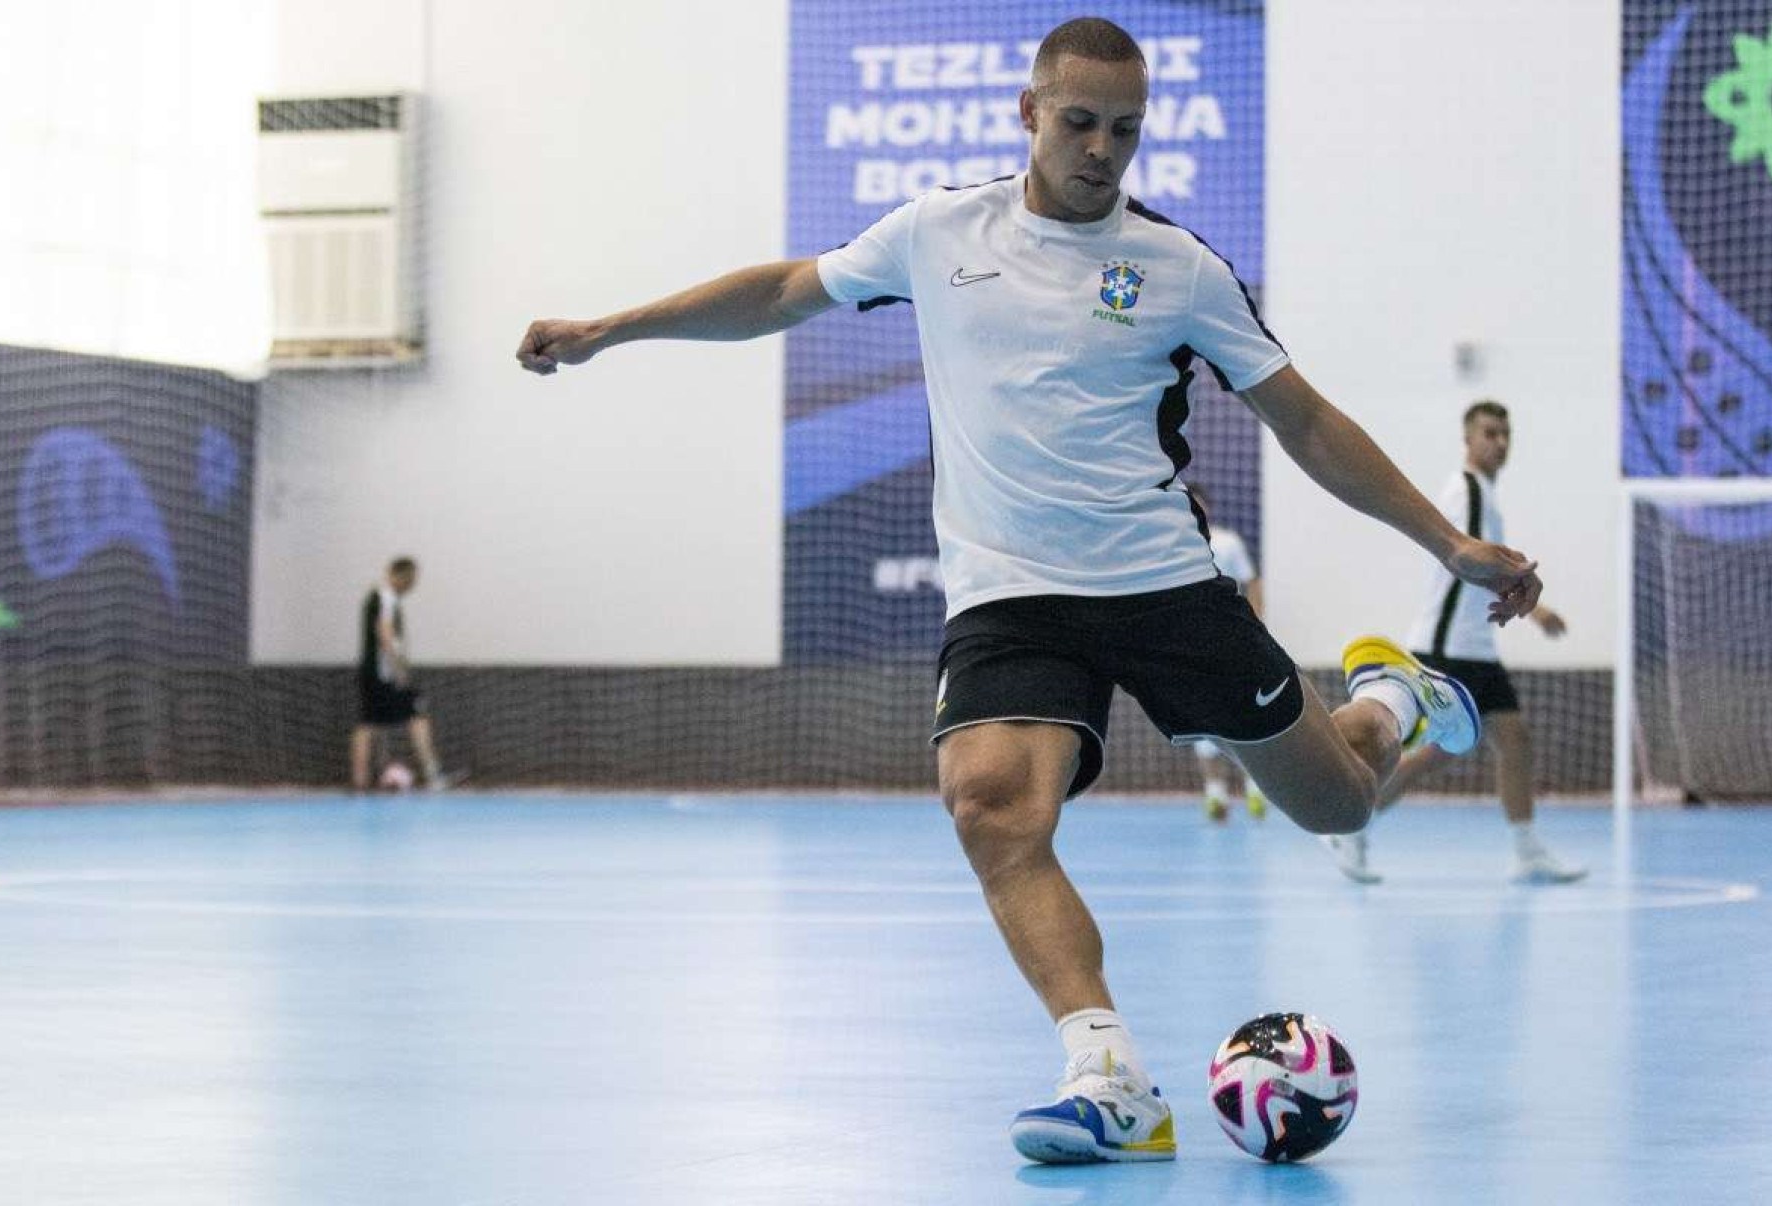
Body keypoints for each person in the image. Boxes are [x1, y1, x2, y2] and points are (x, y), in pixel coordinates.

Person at [517, 17, 1542, 1166]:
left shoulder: (1181, 269)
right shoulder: (937, 232)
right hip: (1009, 594)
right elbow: (781, 293)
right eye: (1080, 123)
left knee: (1340, 805)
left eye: (1126, 130)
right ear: (1028, 112)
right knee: (990, 803)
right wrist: (614, 328)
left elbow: (1304, 420)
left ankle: (1391, 698)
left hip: (1161, 583)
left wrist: (1450, 544)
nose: (1103, 150)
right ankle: (1108, 1075)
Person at [1322, 402, 1585, 885]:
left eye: (1506, 433)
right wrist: (1530, 605)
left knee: (1513, 740)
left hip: (1478, 648)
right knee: (1429, 754)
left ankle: (1527, 851)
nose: (1499, 442)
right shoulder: (1467, 491)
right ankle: (1351, 825)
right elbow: (1466, 560)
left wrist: (1531, 606)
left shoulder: (1485, 494)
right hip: (1448, 648)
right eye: (1489, 432)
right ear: (1468, 438)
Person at [1183, 480, 1268, 822]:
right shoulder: (1173, 544)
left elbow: (1253, 581)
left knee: (1247, 717)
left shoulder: (1228, 542)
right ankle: (1215, 794)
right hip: (1191, 649)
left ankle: (1255, 790)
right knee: (1204, 724)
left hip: (1232, 643)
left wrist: (1256, 626)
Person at [348, 556, 458, 792]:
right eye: (411, 580)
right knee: (414, 716)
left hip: (372, 672)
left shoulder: (375, 597)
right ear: (400, 577)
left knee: (368, 723)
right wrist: (399, 670)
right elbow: (385, 635)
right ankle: (433, 775)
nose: (412, 586)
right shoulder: (385, 597)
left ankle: (360, 782)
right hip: (384, 674)